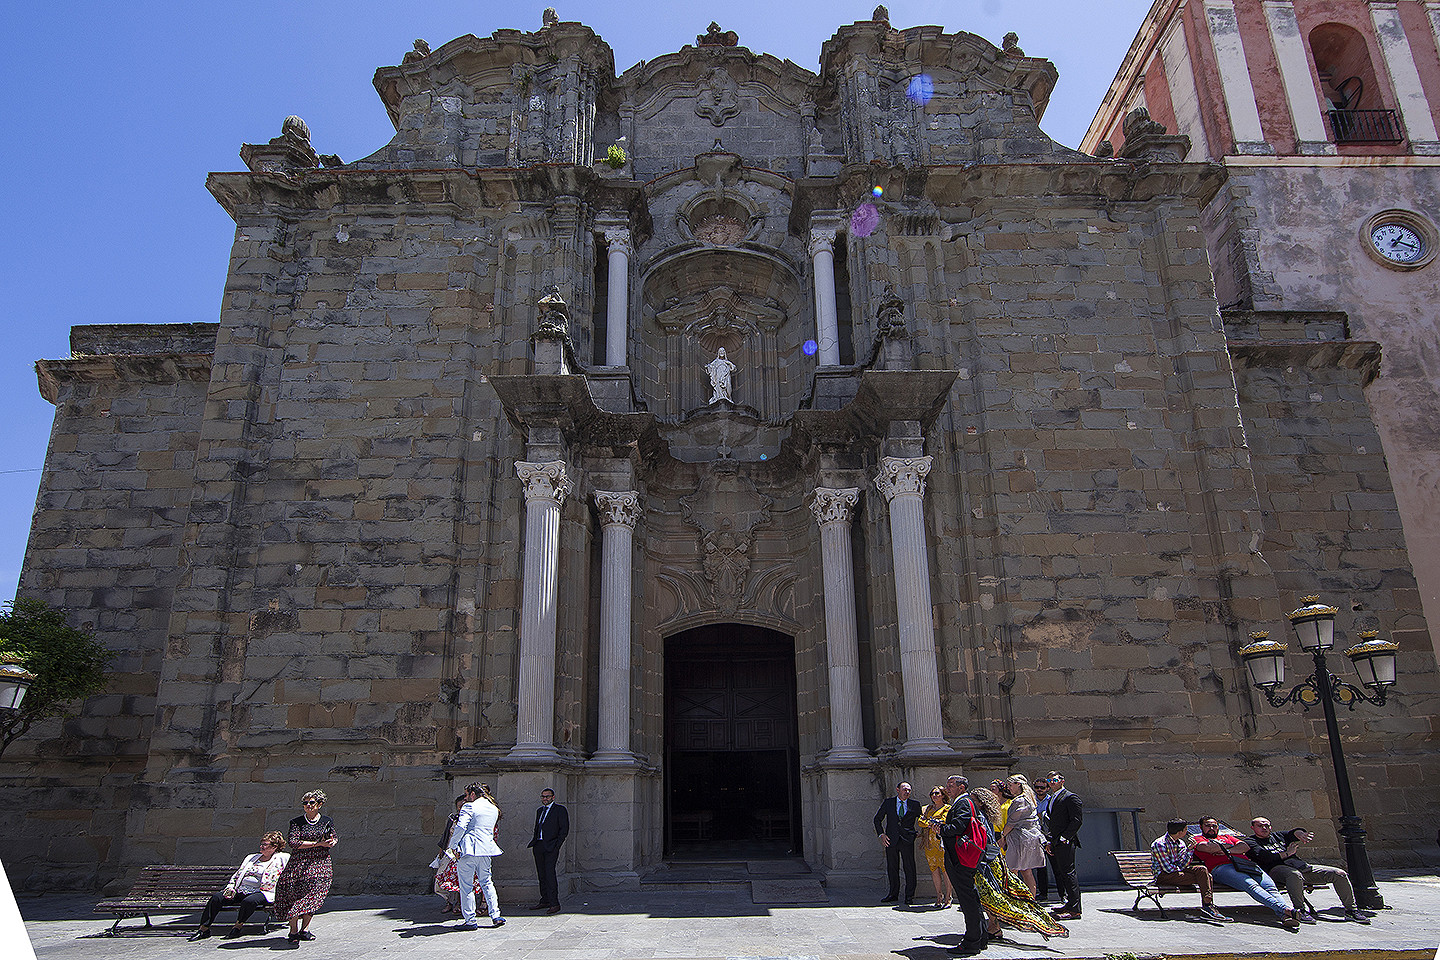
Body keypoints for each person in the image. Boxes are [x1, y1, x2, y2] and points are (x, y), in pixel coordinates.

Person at [969, 786, 1069, 943]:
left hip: (989, 860)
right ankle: (994, 927)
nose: (970, 803)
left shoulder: (982, 816)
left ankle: (996, 926)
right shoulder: (983, 816)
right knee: (994, 895)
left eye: (973, 800)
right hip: (991, 858)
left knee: (994, 895)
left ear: (981, 802)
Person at [1246, 817, 1368, 923]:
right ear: (1253, 828)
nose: (1264, 828)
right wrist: (1288, 853)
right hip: (1277, 870)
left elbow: (1293, 832)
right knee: (1294, 875)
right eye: (1260, 826)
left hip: (1301, 867)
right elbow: (1265, 857)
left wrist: (1300, 834)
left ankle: (1351, 910)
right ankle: (1300, 910)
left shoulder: (1279, 836)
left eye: (1267, 825)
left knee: (1339, 873)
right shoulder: (1251, 841)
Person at [1191, 816, 1301, 929]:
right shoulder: (1198, 839)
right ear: (1201, 827)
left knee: (1270, 887)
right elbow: (1207, 848)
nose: (1211, 828)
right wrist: (1231, 846)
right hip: (1222, 868)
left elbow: (1244, 847)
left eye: (1214, 826)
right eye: (1208, 826)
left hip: (1246, 865)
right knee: (1251, 885)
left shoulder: (1226, 836)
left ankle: (1285, 916)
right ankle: (1286, 910)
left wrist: (1226, 850)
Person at [188, 832, 290, 940]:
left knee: (249, 901)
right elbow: (238, 874)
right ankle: (204, 929)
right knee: (217, 898)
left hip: (263, 892)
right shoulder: (252, 857)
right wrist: (231, 887)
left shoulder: (282, 858)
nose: (261, 846)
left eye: (265, 844)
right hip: (240, 889)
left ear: (274, 847)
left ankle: (237, 926)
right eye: (261, 844)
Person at [272, 789, 338, 944]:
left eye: (312, 802)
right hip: (299, 862)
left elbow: (333, 836)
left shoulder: (326, 821)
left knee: (315, 893)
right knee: (294, 893)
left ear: (319, 804)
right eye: (305, 803)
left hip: (320, 863)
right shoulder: (297, 822)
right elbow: (293, 842)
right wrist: (318, 844)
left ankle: (305, 929)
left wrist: (332, 841)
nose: (308, 805)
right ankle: (293, 930)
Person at [448, 781, 506, 930]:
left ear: (473, 794)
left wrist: (453, 846)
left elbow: (461, 827)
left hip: (469, 848)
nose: (465, 798)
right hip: (486, 849)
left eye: (467, 794)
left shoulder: (469, 806)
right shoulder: (493, 808)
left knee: (466, 885)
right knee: (487, 882)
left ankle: (470, 920)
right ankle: (495, 915)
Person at [939, 776, 986, 955]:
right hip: (964, 858)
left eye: (951, 785)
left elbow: (958, 827)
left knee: (968, 900)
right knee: (971, 897)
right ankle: (980, 938)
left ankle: (971, 942)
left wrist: (941, 829)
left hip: (961, 858)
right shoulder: (964, 802)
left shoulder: (963, 803)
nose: (947, 788)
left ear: (962, 787)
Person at [1150, 819, 1228, 922]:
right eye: (1186, 829)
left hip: (1178, 872)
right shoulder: (1160, 844)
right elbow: (1168, 868)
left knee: (1202, 870)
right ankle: (1208, 906)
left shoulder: (1180, 843)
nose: (1187, 832)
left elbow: (1183, 863)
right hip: (1164, 876)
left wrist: (1190, 849)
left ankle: (1208, 905)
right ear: (1180, 832)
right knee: (1206, 877)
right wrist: (1182, 870)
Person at [873, 781, 920, 905]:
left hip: (907, 840)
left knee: (909, 867)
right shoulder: (889, 803)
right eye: (904, 789)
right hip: (891, 840)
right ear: (898, 789)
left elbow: (922, 820)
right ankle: (893, 894)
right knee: (892, 867)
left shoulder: (915, 804)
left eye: (909, 790)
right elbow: (877, 819)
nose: (907, 792)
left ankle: (909, 895)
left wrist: (919, 833)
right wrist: (881, 834)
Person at [1044, 774, 1083, 919]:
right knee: (1062, 873)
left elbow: (1076, 820)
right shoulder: (1052, 798)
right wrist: (1050, 841)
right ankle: (1069, 903)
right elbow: (1052, 822)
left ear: (1062, 781)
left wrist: (1064, 837)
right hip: (1055, 841)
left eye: (1055, 780)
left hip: (1066, 842)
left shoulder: (1070, 797)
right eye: (1049, 781)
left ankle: (1074, 909)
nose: (1052, 783)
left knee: (1068, 873)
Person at [1001, 775, 1047, 897]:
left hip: (1019, 839)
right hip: (1027, 838)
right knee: (1026, 871)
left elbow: (1011, 822)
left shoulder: (1020, 800)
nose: (1009, 788)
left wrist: (1002, 836)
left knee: (1013, 870)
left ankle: (1016, 899)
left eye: (1010, 785)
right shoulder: (1028, 798)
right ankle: (1030, 900)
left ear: (1018, 784)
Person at [528, 787, 570, 914]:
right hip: (539, 845)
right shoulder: (540, 811)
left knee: (550, 874)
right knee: (541, 874)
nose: (545, 799)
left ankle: (554, 903)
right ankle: (545, 899)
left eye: (547, 796)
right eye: (543, 796)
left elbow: (564, 829)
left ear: (553, 797)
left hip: (551, 846)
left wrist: (557, 845)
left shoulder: (559, 810)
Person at [917, 786, 954, 908]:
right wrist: (931, 823)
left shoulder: (947, 808)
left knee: (945, 870)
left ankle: (948, 896)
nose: (934, 795)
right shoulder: (928, 809)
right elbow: (920, 821)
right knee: (934, 869)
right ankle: (939, 895)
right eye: (932, 793)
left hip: (942, 843)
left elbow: (943, 821)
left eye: (937, 793)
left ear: (943, 795)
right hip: (930, 843)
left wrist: (930, 822)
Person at [433, 795, 469, 914]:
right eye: (459, 807)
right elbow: (445, 837)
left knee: (459, 880)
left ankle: (459, 903)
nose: (460, 809)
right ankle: (448, 901)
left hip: (463, 853)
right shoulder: (453, 819)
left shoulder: (471, 819)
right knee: (441, 877)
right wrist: (440, 854)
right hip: (449, 853)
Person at [1033, 774, 1053, 902]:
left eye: (1042, 787)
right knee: (1040, 866)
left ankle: (1063, 893)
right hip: (1036, 834)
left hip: (1049, 834)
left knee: (1056, 865)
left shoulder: (1051, 800)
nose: (1039, 790)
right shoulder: (1032, 800)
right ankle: (1043, 892)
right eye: (1037, 787)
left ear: (1047, 788)